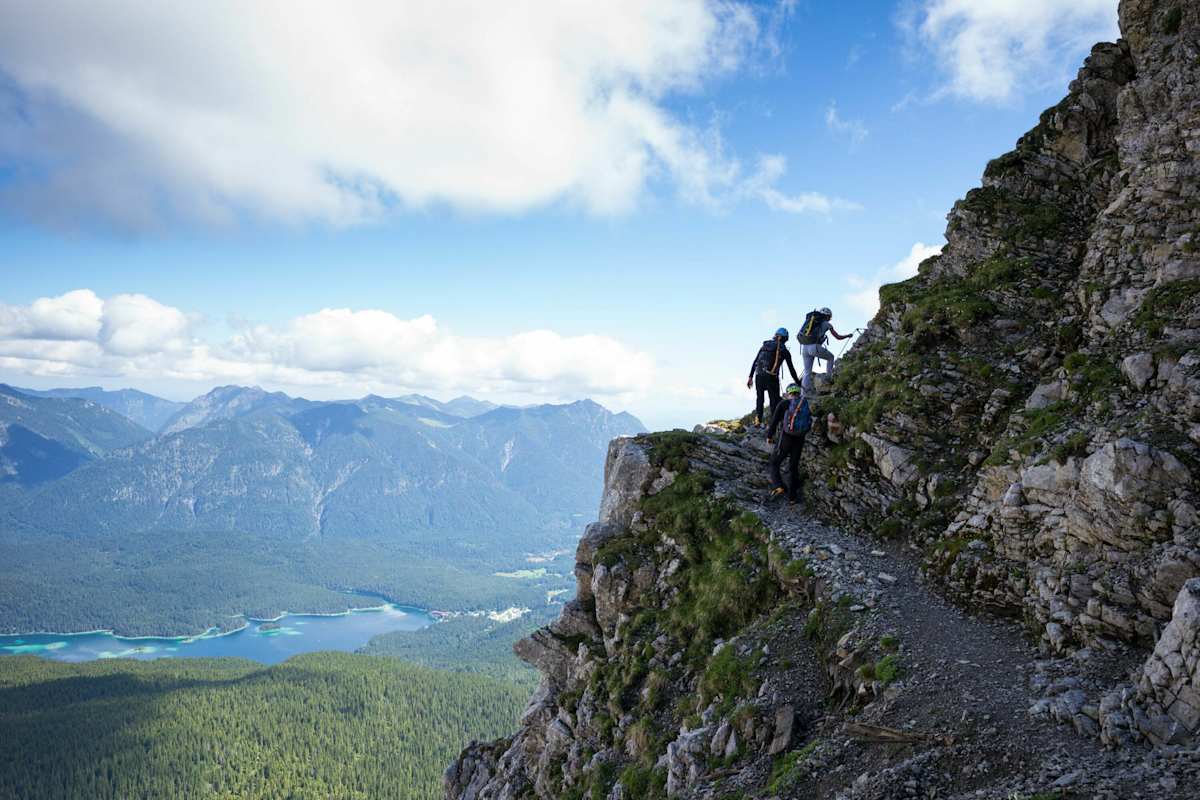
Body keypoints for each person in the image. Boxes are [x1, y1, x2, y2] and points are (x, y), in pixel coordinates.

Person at [746, 328, 802, 426]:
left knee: (760, 399)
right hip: (771, 377)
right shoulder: (784, 350)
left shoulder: (765, 346)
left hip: (759, 375)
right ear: (785, 339)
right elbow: (791, 369)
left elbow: (755, 361)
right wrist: (798, 382)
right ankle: (773, 423)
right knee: (774, 400)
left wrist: (750, 377)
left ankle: (758, 421)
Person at [766, 383, 811, 504]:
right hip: (799, 438)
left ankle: (778, 486)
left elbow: (774, 421)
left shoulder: (784, 404)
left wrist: (769, 436)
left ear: (788, 393)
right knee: (793, 467)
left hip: (786, 438)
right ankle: (792, 498)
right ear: (798, 392)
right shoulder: (804, 404)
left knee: (774, 462)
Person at [797, 307, 852, 392]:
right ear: (827, 316)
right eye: (830, 317)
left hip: (804, 347)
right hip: (814, 347)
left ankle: (803, 394)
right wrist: (847, 336)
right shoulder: (827, 324)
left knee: (807, 372)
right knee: (831, 357)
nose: (830, 319)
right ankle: (828, 378)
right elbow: (838, 337)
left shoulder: (811, 321)